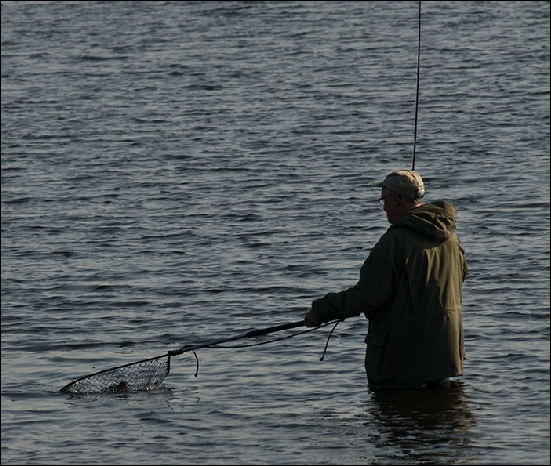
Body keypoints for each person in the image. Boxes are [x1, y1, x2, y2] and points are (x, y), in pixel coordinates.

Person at [304, 170, 468, 390]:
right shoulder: (451, 237)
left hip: (403, 362)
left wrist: (321, 310)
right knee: (442, 418)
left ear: (395, 199)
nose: (383, 207)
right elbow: (462, 275)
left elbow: (368, 295)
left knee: (395, 420)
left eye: (384, 200)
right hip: (444, 356)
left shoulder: (394, 241)